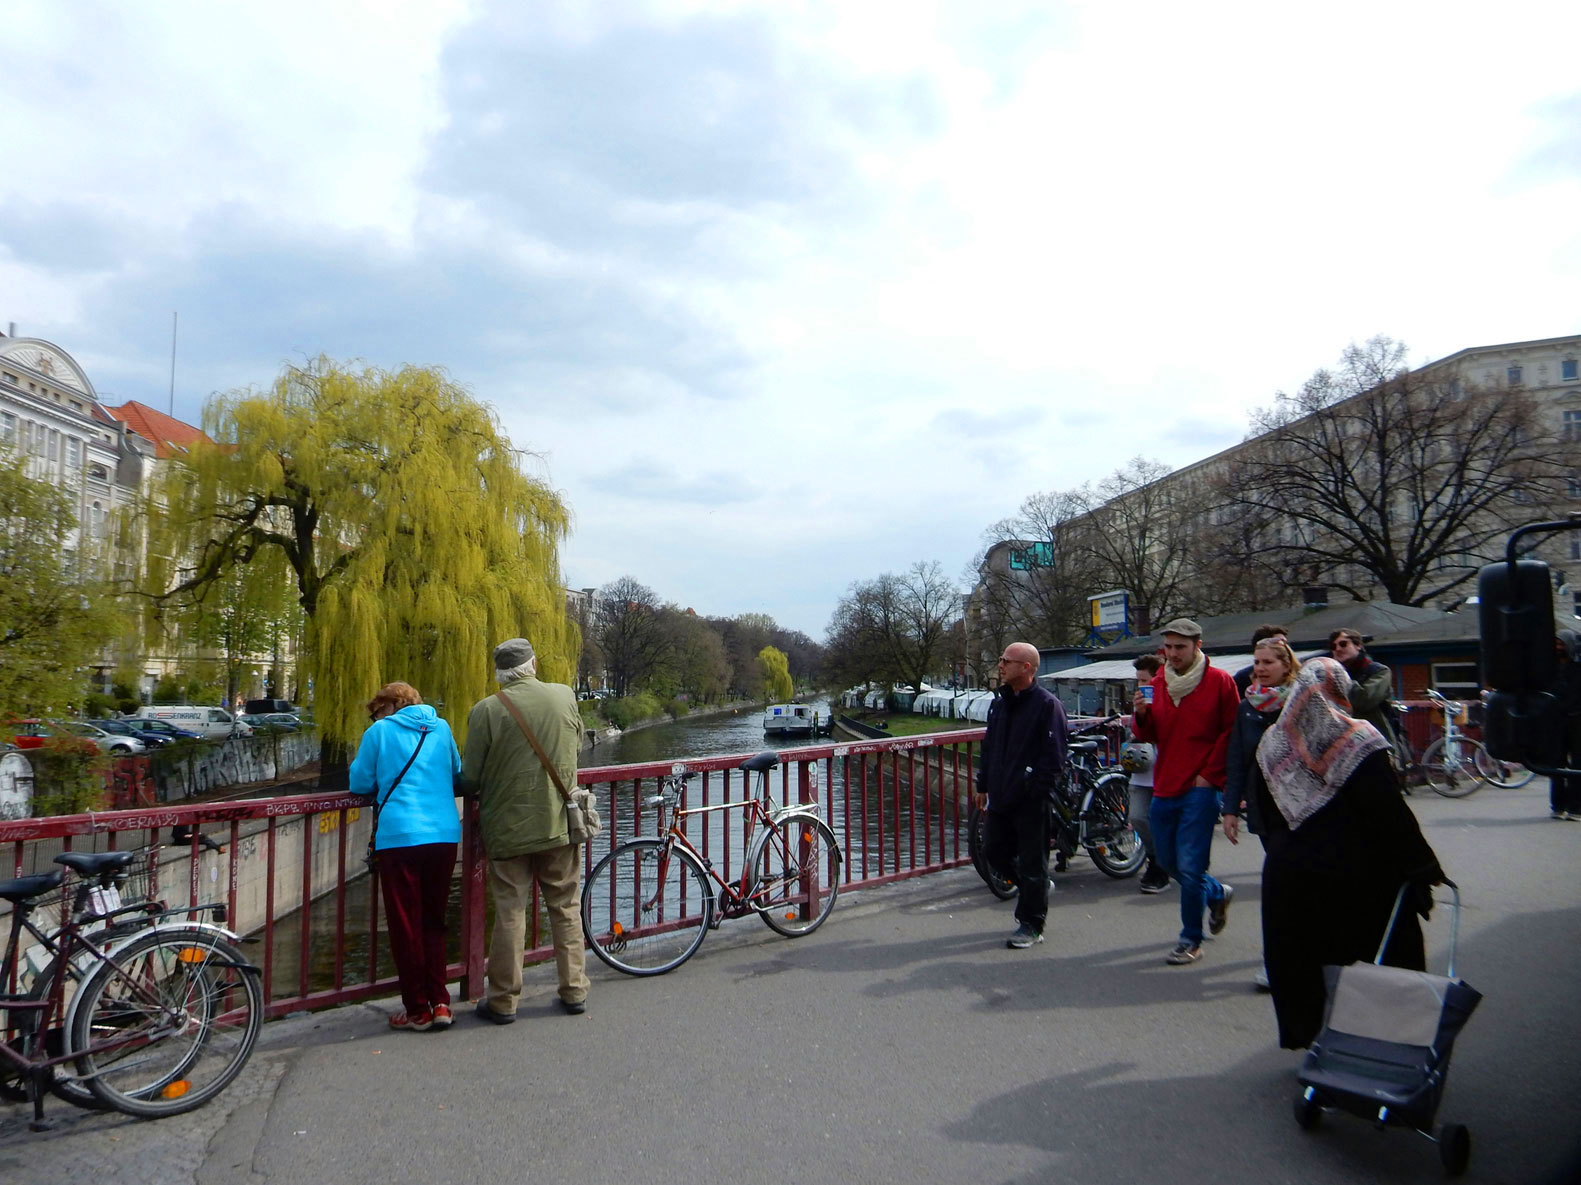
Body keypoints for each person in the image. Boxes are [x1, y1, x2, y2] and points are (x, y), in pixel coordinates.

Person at [1257, 657, 1443, 1048]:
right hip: (1357, 875)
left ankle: (1312, 1040)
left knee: (1301, 962)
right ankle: (1383, 1047)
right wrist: (1423, 868)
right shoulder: (1358, 740)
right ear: (1339, 692)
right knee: (1380, 955)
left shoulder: (1273, 742)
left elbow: (1265, 813)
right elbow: (1389, 814)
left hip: (1289, 874)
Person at [463, 638, 589, 1022]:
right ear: (533, 664)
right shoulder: (564, 695)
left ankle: (502, 1001)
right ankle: (574, 990)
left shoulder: (485, 711)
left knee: (511, 913)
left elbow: (470, 779)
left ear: (500, 674)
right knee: (565, 906)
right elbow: (577, 744)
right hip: (557, 823)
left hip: (508, 829)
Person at [348, 681, 463, 1032]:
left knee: (405, 924)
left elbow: (359, 782)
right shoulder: (442, 728)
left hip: (399, 837)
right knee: (435, 920)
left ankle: (417, 1010)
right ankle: (441, 1002)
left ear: (388, 706)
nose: (374, 718)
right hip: (443, 835)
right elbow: (456, 772)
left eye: (375, 711)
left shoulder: (380, 733)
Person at [1130, 618, 1239, 965]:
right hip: (1166, 783)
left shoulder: (1219, 681)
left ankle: (1190, 939)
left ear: (1197, 646)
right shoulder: (1158, 682)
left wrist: (1210, 776)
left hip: (1200, 786)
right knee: (1169, 861)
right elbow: (1148, 735)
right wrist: (1141, 715)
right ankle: (1217, 892)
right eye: (1169, 647)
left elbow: (1232, 731)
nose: (1173, 654)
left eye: (1181, 647)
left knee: (1191, 866)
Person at [975, 641, 1069, 949]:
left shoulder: (1046, 705)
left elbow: (1054, 758)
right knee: (992, 851)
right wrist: (983, 785)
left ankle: (1032, 923)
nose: (1000, 665)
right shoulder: (1001, 704)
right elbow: (989, 747)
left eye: (1007, 661)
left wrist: (1035, 790)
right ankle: (1037, 890)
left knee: (1033, 861)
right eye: (1001, 659)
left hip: (1030, 799)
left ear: (1026, 667)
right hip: (1001, 795)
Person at [1221, 636, 1301, 989]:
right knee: (1283, 884)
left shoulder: (1304, 701)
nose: (1260, 669)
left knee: (1293, 884)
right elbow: (1238, 758)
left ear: (1286, 665)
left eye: (1268, 662)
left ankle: (1300, 955)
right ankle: (1279, 961)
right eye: (1257, 662)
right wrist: (1229, 810)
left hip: (1302, 805)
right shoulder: (1248, 706)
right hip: (1265, 807)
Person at [1125, 654, 1168, 894]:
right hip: (1143, 770)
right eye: (1138, 681)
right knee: (1138, 816)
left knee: (1163, 820)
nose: (1141, 686)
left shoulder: (1168, 697)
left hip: (1165, 770)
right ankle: (1155, 856)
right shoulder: (1140, 700)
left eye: (1145, 680)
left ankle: (1162, 866)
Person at [1329, 628, 1398, 748]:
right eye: (1333, 646)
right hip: (1342, 742)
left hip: (1374, 742)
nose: (1338, 649)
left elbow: (1363, 700)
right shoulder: (1331, 675)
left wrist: (1341, 676)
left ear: (1358, 646)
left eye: (1343, 644)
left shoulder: (1379, 671)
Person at [1551, 629, 1581, 820]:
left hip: (1576, 719)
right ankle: (1558, 805)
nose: (1558, 648)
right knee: (1556, 763)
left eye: (1562, 644)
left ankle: (1575, 807)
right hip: (1556, 721)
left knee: (1577, 763)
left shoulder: (1577, 668)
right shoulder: (1551, 668)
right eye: (1556, 644)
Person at [1233, 623, 1291, 696]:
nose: (1287, 649)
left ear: (1286, 667)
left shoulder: (1302, 684)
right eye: (1280, 643)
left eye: (1286, 643)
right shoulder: (1242, 678)